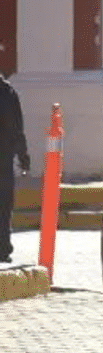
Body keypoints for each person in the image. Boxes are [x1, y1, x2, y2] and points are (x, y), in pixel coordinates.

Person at [0, 74, 30, 263]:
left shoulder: (7, 92)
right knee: (3, 204)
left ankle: (3, 247)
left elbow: (16, 128)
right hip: (3, 159)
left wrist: (22, 154)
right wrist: (23, 155)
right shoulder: (7, 92)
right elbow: (16, 128)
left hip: (3, 159)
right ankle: (3, 247)